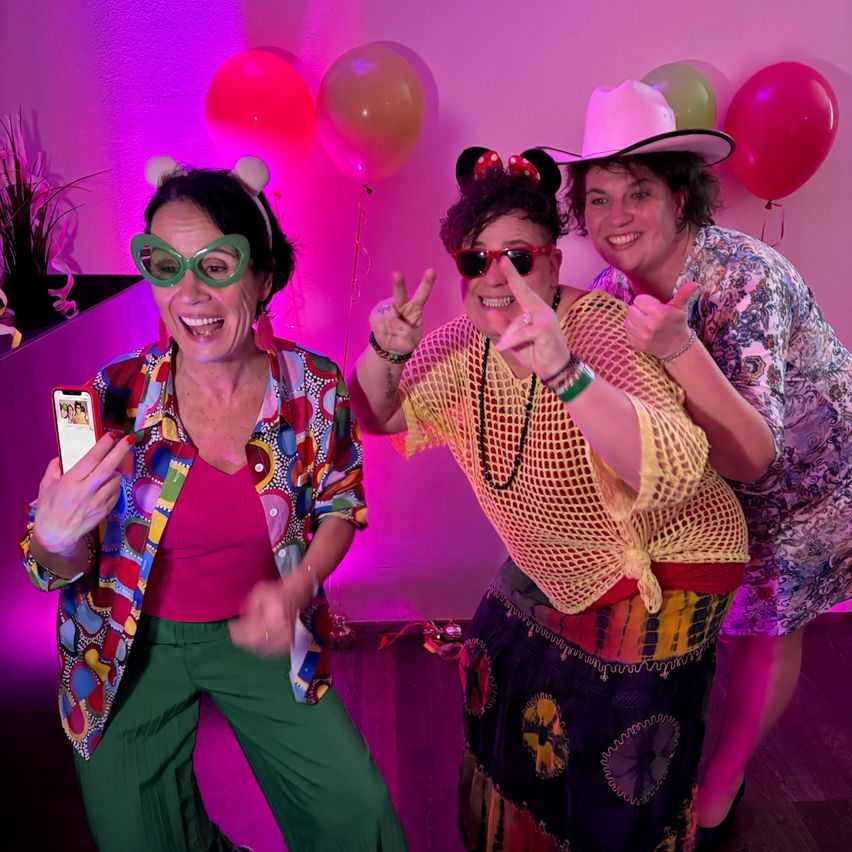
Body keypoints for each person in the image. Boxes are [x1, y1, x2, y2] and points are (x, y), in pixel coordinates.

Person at [350, 146, 750, 851]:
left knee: (610, 745)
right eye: (477, 260)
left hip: (669, 555)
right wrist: (384, 353)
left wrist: (565, 371)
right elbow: (382, 416)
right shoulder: (459, 346)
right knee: (493, 657)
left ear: (554, 263)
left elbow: (680, 462)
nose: (496, 277)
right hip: (571, 559)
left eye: (519, 257)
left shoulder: (597, 327)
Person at [21, 156, 407, 852]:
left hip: (257, 635)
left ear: (261, 277)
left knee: (359, 815)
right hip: (127, 649)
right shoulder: (113, 396)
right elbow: (56, 564)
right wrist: (51, 538)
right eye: (166, 267)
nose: (189, 293)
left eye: (215, 266)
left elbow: (340, 504)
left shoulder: (312, 387)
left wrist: (296, 587)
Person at [557, 79, 852, 842]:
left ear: (681, 198)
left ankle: (724, 783)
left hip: (805, 475)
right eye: (597, 197)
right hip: (706, 476)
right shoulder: (605, 286)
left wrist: (681, 349)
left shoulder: (743, 281)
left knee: (766, 620)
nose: (615, 218)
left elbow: (756, 457)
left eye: (638, 193)